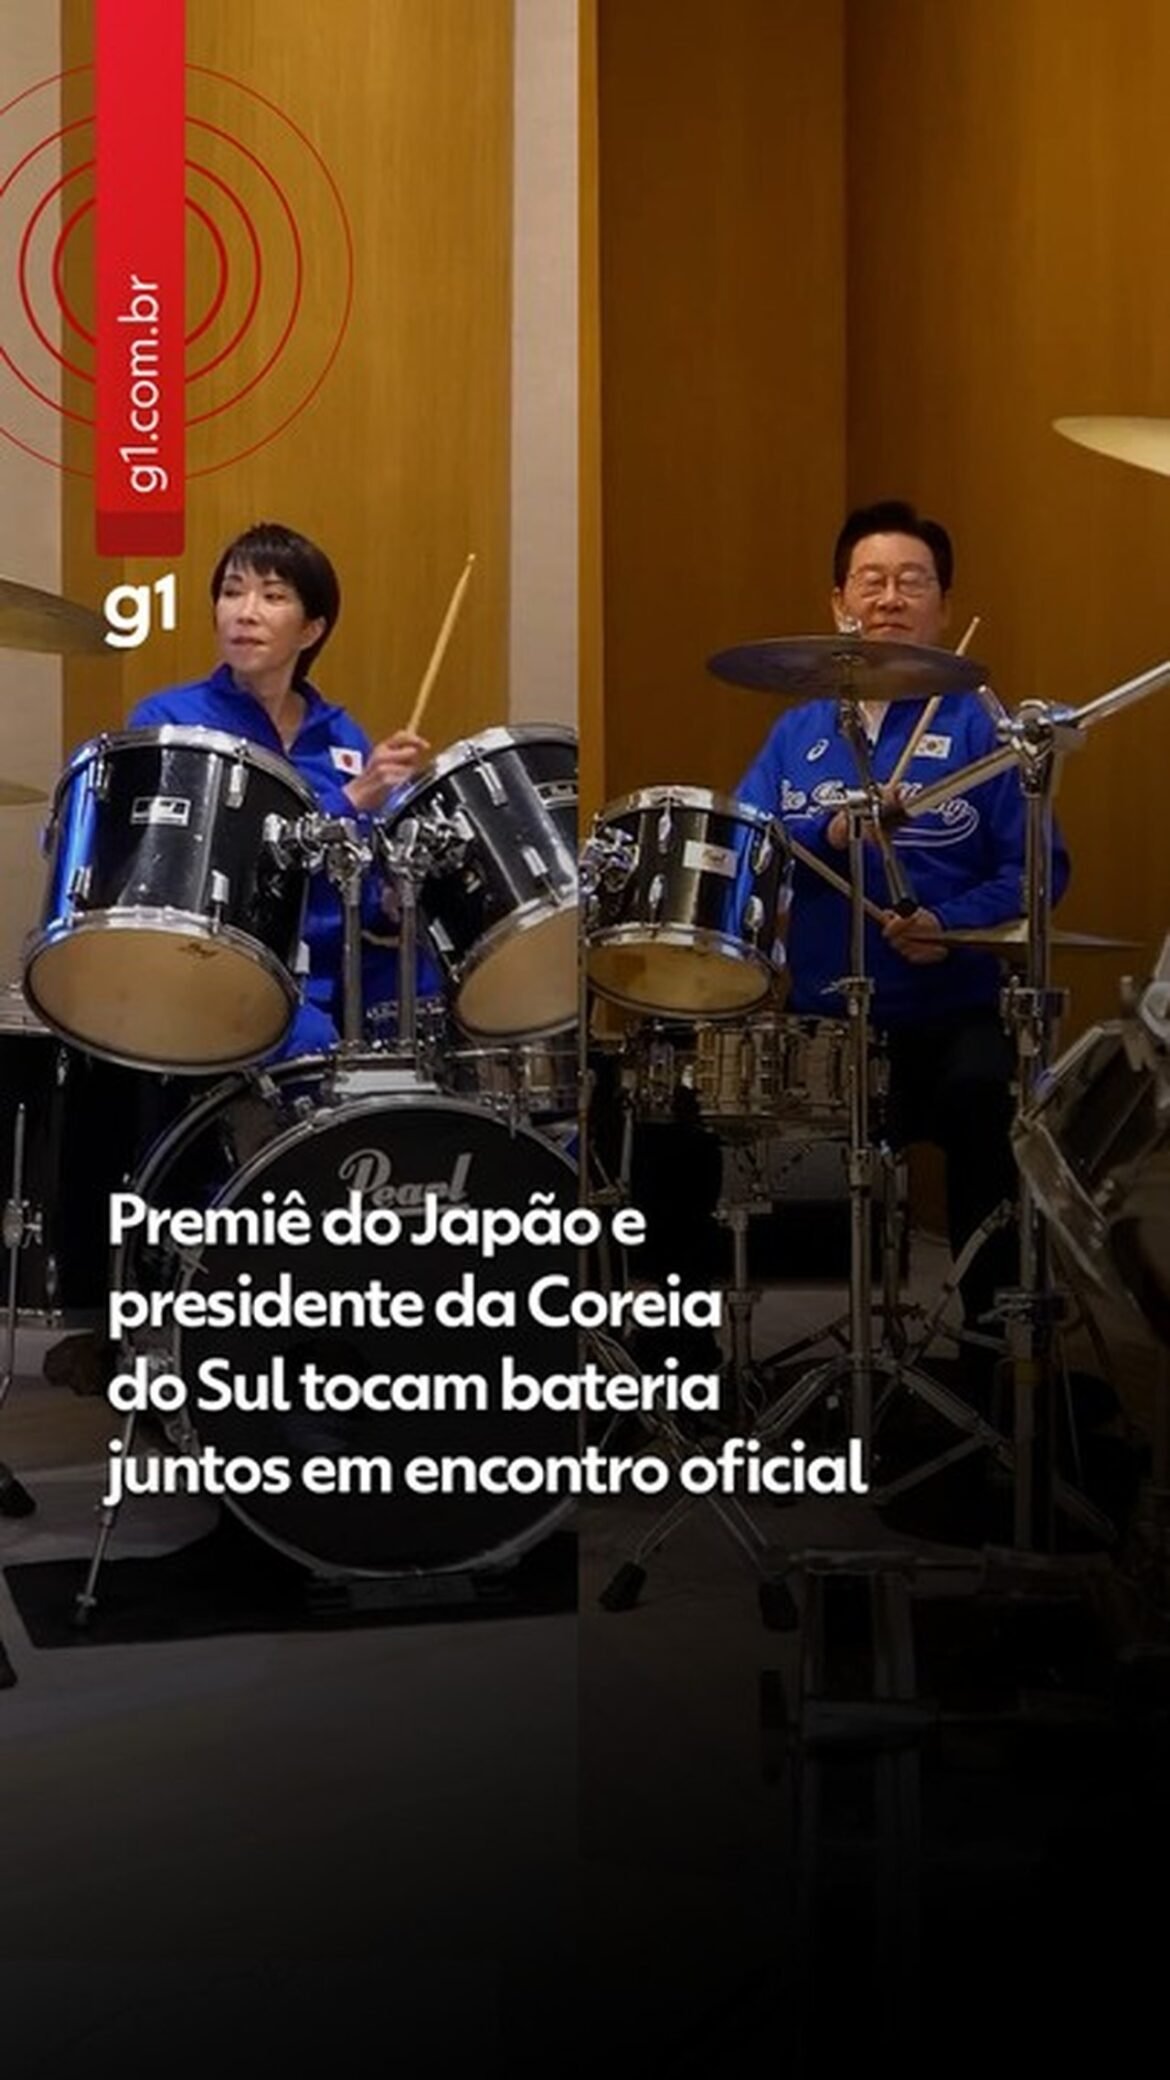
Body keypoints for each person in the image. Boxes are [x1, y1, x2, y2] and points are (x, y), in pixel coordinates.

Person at [737, 498, 1070, 1359]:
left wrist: (948, 924)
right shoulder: (796, 732)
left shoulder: (982, 725)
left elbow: (1039, 871)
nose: (890, 597)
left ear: (944, 606)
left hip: (949, 1013)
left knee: (992, 1096)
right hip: (824, 1020)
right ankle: (740, 1353)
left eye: (912, 581)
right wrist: (828, 831)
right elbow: (743, 849)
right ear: (838, 603)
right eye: (871, 580)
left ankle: (996, 1344)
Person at [129, 520, 436, 1056]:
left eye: (272, 597)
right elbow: (188, 863)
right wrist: (348, 801)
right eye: (232, 592)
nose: (245, 612)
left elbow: (355, 880)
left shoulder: (341, 736)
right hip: (227, 963)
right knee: (311, 1044)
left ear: (310, 630)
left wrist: (393, 891)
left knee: (437, 1001)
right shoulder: (172, 721)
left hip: (341, 962)